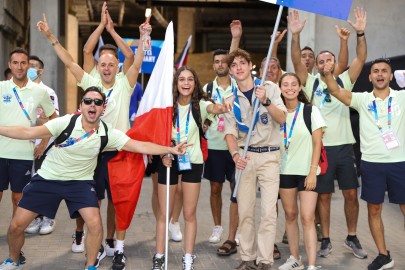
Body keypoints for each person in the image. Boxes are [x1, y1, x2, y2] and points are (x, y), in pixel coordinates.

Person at [0, 87, 188, 270]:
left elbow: (139, 146)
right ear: (81, 105)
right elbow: (27, 132)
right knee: (16, 226)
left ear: (102, 108)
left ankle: (90, 266)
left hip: (80, 183)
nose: (92, 105)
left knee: (96, 225)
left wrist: (170, 149)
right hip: (48, 178)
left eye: (97, 102)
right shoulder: (65, 122)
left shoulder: (107, 133)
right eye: (88, 101)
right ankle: (13, 259)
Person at [37, 11, 149, 269]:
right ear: (98, 66)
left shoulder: (125, 82)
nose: (107, 68)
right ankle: (95, 242)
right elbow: (69, 62)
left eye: (111, 64)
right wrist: (52, 36)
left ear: (117, 67)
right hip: (92, 151)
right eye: (103, 64)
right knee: (93, 200)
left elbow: (135, 57)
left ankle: (110, 240)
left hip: (118, 151)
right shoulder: (91, 84)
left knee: (116, 200)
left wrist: (115, 32)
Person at [288, 7, 368, 259]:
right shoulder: (309, 82)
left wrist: (358, 34)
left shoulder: (345, 79)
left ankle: (352, 236)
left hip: (345, 147)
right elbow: (296, 60)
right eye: (320, 61)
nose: (323, 63)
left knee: (351, 194)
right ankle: (325, 240)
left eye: (328, 60)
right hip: (320, 149)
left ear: (334, 63)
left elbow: (361, 58)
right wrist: (296, 36)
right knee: (323, 196)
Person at [324, 58, 404, 270]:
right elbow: (336, 91)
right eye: (375, 71)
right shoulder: (362, 99)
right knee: (374, 209)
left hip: (400, 163)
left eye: (384, 71)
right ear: (369, 77)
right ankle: (384, 255)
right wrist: (327, 73)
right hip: (371, 164)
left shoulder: (402, 96)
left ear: (390, 75)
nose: (379, 74)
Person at [152, 66, 232, 270]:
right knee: (164, 213)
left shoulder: (202, 105)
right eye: (181, 80)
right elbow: (156, 134)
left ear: (195, 83)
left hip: (192, 162)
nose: (185, 83)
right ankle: (159, 257)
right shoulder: (166, 107)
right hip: (169, 160)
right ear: (176, 83)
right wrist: (163, 153)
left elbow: (217, 109)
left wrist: (224, 106)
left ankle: (188, 257)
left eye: (190, 79)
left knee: (189, 213)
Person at [224, 48, 286, 270]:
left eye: (242, 62)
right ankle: (248, 257)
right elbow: (230, 133)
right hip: (245, 158)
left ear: (250, 65)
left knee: (268, 212)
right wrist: (235, 155)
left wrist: (266, 102)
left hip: (269, 156)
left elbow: (282, 118)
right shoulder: (230, 99)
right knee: (246, 211)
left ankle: (265, 260)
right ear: (230, 71)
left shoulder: (269, 88)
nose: (239, 67)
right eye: (234, 65)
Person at [277, 73, 326, 270]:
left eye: (293, 84)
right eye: (285, 85)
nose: (289, 88)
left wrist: (313, 171)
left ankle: (312, 264)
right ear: (280, 89)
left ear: (299, 88)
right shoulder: (277, 113)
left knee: (307, 217)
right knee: (290, 215)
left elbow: (317, 143)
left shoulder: (310, 110)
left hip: (307, 172)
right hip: (284, 171)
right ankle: (295, 258)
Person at [203, 49, 238, 254]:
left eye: (224, 61)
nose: (220, 64)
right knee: (215, 188)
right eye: (216, 61)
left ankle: (237, 231)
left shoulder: (238, 86)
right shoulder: (207, 88)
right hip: (215, 145)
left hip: (236, 146)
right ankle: (218, 226)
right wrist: (206, 123)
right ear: (213, 65)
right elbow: (206, 111)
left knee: (237, 190)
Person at [23, 55, 60, 236]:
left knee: (46, 182)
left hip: (43, 147)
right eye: (27, 65)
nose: (29, 68)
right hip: (24, 146)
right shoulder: (22, 90)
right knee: (31, 184)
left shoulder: (48, 92)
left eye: (33, 66)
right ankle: (36, 217)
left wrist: (43, 144)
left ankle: (48, 217)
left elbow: (52, 121)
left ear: (41, 70)